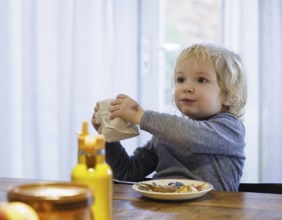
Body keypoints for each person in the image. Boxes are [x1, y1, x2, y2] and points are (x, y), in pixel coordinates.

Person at [91, 43, 247, 191]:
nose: (186, 87)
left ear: (228, 95)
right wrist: (108, 136)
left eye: (201, 80)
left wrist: (141, 116)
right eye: (180, 80)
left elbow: (190, 136)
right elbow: (127, 173)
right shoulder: (166, 134)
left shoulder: (231, 129)